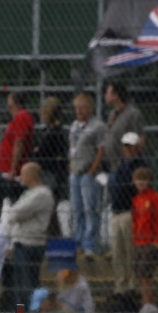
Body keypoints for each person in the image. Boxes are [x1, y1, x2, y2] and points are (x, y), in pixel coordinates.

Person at [6, 162, 54, 311]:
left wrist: (12, 212)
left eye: (23, 173)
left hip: (31, 244)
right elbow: (13, 214)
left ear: (32, 175)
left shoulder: (42, 194)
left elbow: (16, 213)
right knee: (19, 287)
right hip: (21, 242)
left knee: (27, 287)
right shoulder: (28, 194)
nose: (20, 177)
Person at [108, 132, 147, 310]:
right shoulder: (122, 165)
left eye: (130, 146)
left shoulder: (139, 166)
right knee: (119, 252)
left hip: (130, 211)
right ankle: (121, 285)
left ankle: (132, 286)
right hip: (118, 211)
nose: (127, 149)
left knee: (130, 252)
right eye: (125, 146)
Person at [67, 93, 107, 258]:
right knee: (77, 209)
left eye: (82, 107)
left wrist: (93, 169)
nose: (79, 110)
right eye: (76, 107)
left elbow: (101, 149)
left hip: (89, 173)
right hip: (75, 172)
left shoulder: (97, 126)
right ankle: (78, 242)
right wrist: (71, 164)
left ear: (90, 108)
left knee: (90, 208)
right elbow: (72, 148)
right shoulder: (75, 126)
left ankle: (90, 244)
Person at [130, 167, 158, 313]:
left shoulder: (155, 198)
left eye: (144, 180)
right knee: (141, 274)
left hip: (150, 241)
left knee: (147, 275)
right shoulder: (136, 199)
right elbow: (135, 219)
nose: (141, 183)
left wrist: (157, 240)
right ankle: (147, 303)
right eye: (138, 181)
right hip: (138, 241)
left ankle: (148, 303)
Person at [0, 91, 36, 200]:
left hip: (14, 172)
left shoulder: (22, 117)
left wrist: (13, 169)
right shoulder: (17, 118)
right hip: (7, 169)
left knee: (12, 201)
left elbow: (19, 143)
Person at [102, 81, 146, 172]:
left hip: (124, 165)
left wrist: (130, 159)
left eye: (108, 93)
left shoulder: (132, 114)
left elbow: (140, 138)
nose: (105, 95)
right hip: (112, 164)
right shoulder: (112, 114)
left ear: (116, 95)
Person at [34, 96, 68, 206]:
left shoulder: (55, 132)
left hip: (50, 173)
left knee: (49, 207)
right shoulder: (47, 130)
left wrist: (37, 150)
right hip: (43, 171)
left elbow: (42, 150)